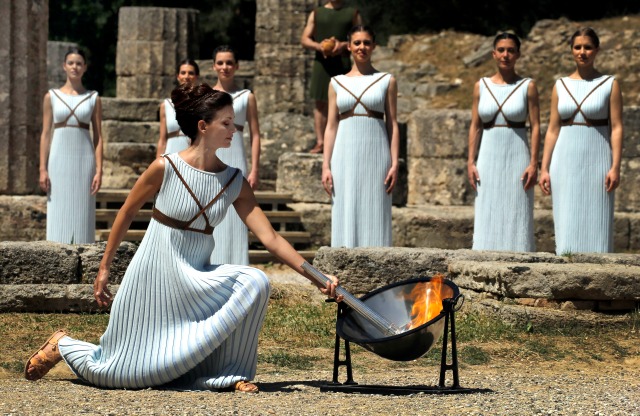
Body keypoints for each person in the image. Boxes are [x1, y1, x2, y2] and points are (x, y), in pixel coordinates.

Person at [24, 83, 341, 393]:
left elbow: (271, 238)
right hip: (152, 278)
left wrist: (317, 277)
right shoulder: (166, 166)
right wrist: (105, 267)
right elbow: (125, 214)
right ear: (203, 126)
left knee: (256, 282)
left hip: (196, 278)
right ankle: (64, 344)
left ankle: (227, 374)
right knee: (119, 374)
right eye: (227, 123)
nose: (234, 129)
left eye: (235, 122)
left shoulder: (234, 181)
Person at [539, 27, 623, 255]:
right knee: (566, 219)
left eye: (587, 47)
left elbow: (616, 128)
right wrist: (544, 168)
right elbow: (553, 130)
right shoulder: (560, 85)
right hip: (564, 160)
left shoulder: (610, 84)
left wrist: (615, 166)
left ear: (597, 50)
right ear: (571, 50)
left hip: (598, 158)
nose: (582, 52)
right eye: (577, 47)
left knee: (597, 218)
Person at [322, 26, 399, 248]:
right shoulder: (336, 82)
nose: (362, 47)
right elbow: (330, 126)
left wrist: (394, 163)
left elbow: (392, 124)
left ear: (373, 46)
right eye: (357, 43)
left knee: (375, 207)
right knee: (346, 207)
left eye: (366, 43)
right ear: (349, 47)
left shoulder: (387, 81)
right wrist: (326, 165)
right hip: (344, 154)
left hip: (377, 152)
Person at [467, 32, 541, 252]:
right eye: (501, 50)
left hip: (518, 154)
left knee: (516, 209)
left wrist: (534, 163)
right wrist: (471, 161)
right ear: (493, 53)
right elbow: (475, 125)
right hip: (488, 156)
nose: (505, 55)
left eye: (510, 50)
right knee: (487, 209)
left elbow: (536, 126)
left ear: (518, 54)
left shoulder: (528, 86)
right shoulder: (481, 86)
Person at [39, 48, 103, 244]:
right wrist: (42, 168)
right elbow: (46, 133)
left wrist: (99, 170)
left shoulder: (93, 98)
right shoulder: (51, 96)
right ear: (64, 66)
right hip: (58, 161)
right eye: (71, 63)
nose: (74, 67)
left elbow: (99, 137)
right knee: (57, 211)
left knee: (83, 212)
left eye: (78, 63)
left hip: (84, 162)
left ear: (84, 67)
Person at [210, 45, 261, 266]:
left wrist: (255, 168)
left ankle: (237, 266)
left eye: (229, 62)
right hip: (213, 159)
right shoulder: (207, 96)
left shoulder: (246, 96)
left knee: (238, 214)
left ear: (237, 66)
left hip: (237, 158)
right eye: (220, 62)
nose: (225, 67)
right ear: (214, 66)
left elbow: (256, 134)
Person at [301, 0, 362, 154]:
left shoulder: (352, 13)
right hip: (322, 64)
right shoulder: (317, 13)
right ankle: (321, 142)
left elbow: (360, 36)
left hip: (342, 64)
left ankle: (342, 141)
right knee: (320, 104)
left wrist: (343, 45)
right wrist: (319, 46)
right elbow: (305, 38)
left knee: (344, 103)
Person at [156, 59, 200, 157]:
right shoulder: (166, 105)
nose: (187, 76)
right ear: (178, 76)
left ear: (197, 76)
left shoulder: (203, 103)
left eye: (191, 73)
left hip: (195, 156)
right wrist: (157, 163)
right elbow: (162, 140)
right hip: (170, 155)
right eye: (183, 73)